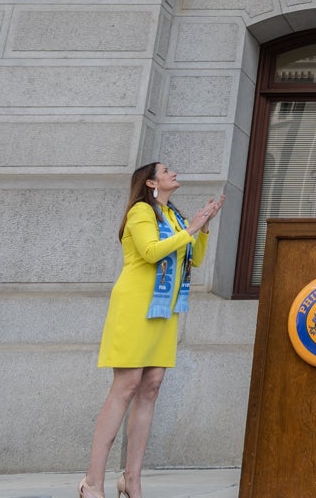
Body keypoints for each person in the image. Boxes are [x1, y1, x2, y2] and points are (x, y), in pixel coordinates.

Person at [80, 162, 223, 498]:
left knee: (152, 386)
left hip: (163, 311)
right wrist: (192, 228)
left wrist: (201, 228)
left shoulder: (173, 215)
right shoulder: (141, 212)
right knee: (126, 385)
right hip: (135, 306)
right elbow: (149, 252)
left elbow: (194, 259)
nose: (174, 173)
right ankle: (92, 482)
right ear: (150, 182)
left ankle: (131, 481)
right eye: (166, 170)